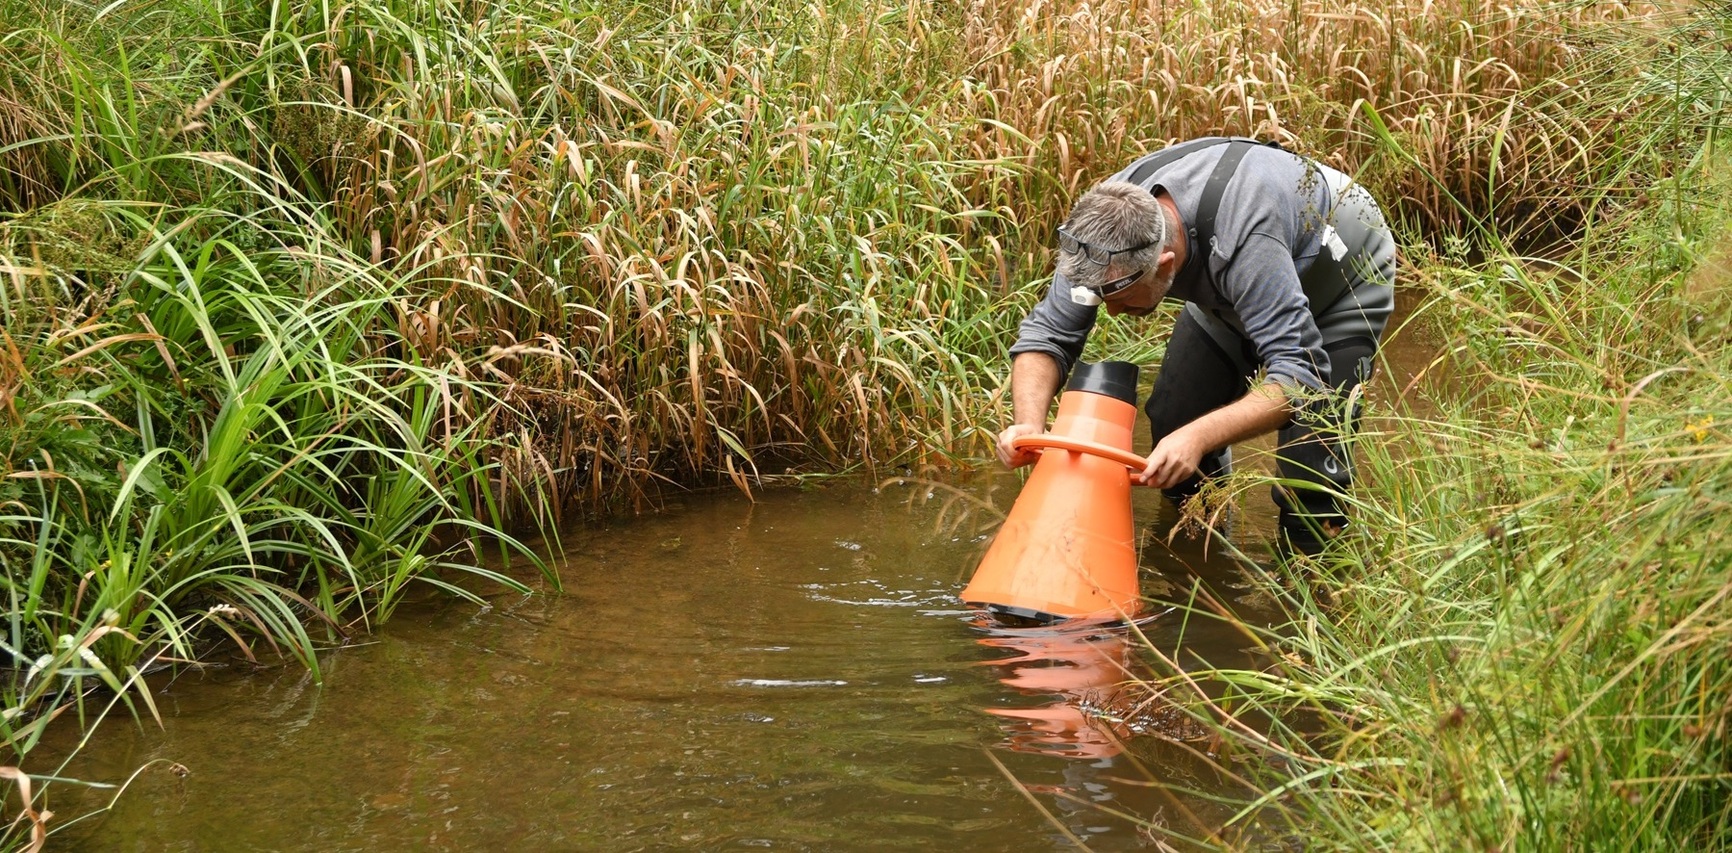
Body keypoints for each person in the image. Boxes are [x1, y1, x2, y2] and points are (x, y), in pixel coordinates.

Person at [995, 137, 1397, 555]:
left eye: (1120, 298)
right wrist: (1028, 424)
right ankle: (1197, 559)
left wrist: (1200, 436)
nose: (1110, 313)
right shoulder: (1100, 233)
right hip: (1237, 283)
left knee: (1310, 476)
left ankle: (1313, 589)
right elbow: (1048, 334)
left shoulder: (1245, 237)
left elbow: (1300, 378)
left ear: (1164, 265)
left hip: (1341, 276)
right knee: (1174, 420)